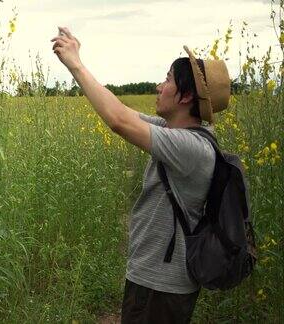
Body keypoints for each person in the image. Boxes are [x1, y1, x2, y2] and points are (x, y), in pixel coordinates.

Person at [51, 26, 231, 323]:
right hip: (155, 279)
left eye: (168, 79)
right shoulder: (174, 132)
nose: (159, 87)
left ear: (186, 96)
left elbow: (119, 121)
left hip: (160, 286)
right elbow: (121, 110)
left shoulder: (191, 147)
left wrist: (76, 64)